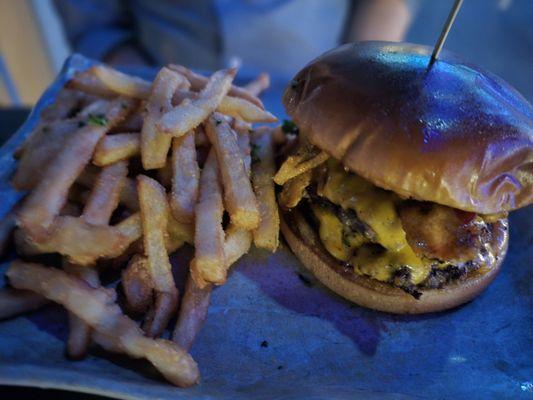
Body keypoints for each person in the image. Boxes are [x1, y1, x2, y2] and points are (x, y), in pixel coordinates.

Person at [53, 0, 417, 79]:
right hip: (158, 84)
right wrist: (153, 91)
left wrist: (358, 77)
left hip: (319, 84)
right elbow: (94, 23)